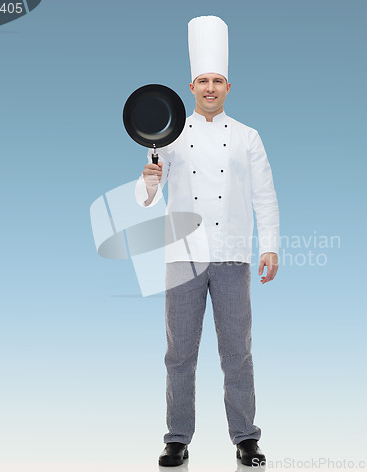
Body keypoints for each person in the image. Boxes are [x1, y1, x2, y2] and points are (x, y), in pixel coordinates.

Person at [134, 15, 279, 467]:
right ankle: (177, 437)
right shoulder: (170, 136)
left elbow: (264, 195)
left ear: (228, 87)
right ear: (191, 86)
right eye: (203, 81)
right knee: (179, 352)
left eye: (218, 80)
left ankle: (245, 437)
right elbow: (145, 198)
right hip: (183, 257)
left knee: (237, 351)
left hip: (234, 255)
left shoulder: (248, 137)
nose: (210, 87)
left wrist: (269, 245)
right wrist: (148, 180)